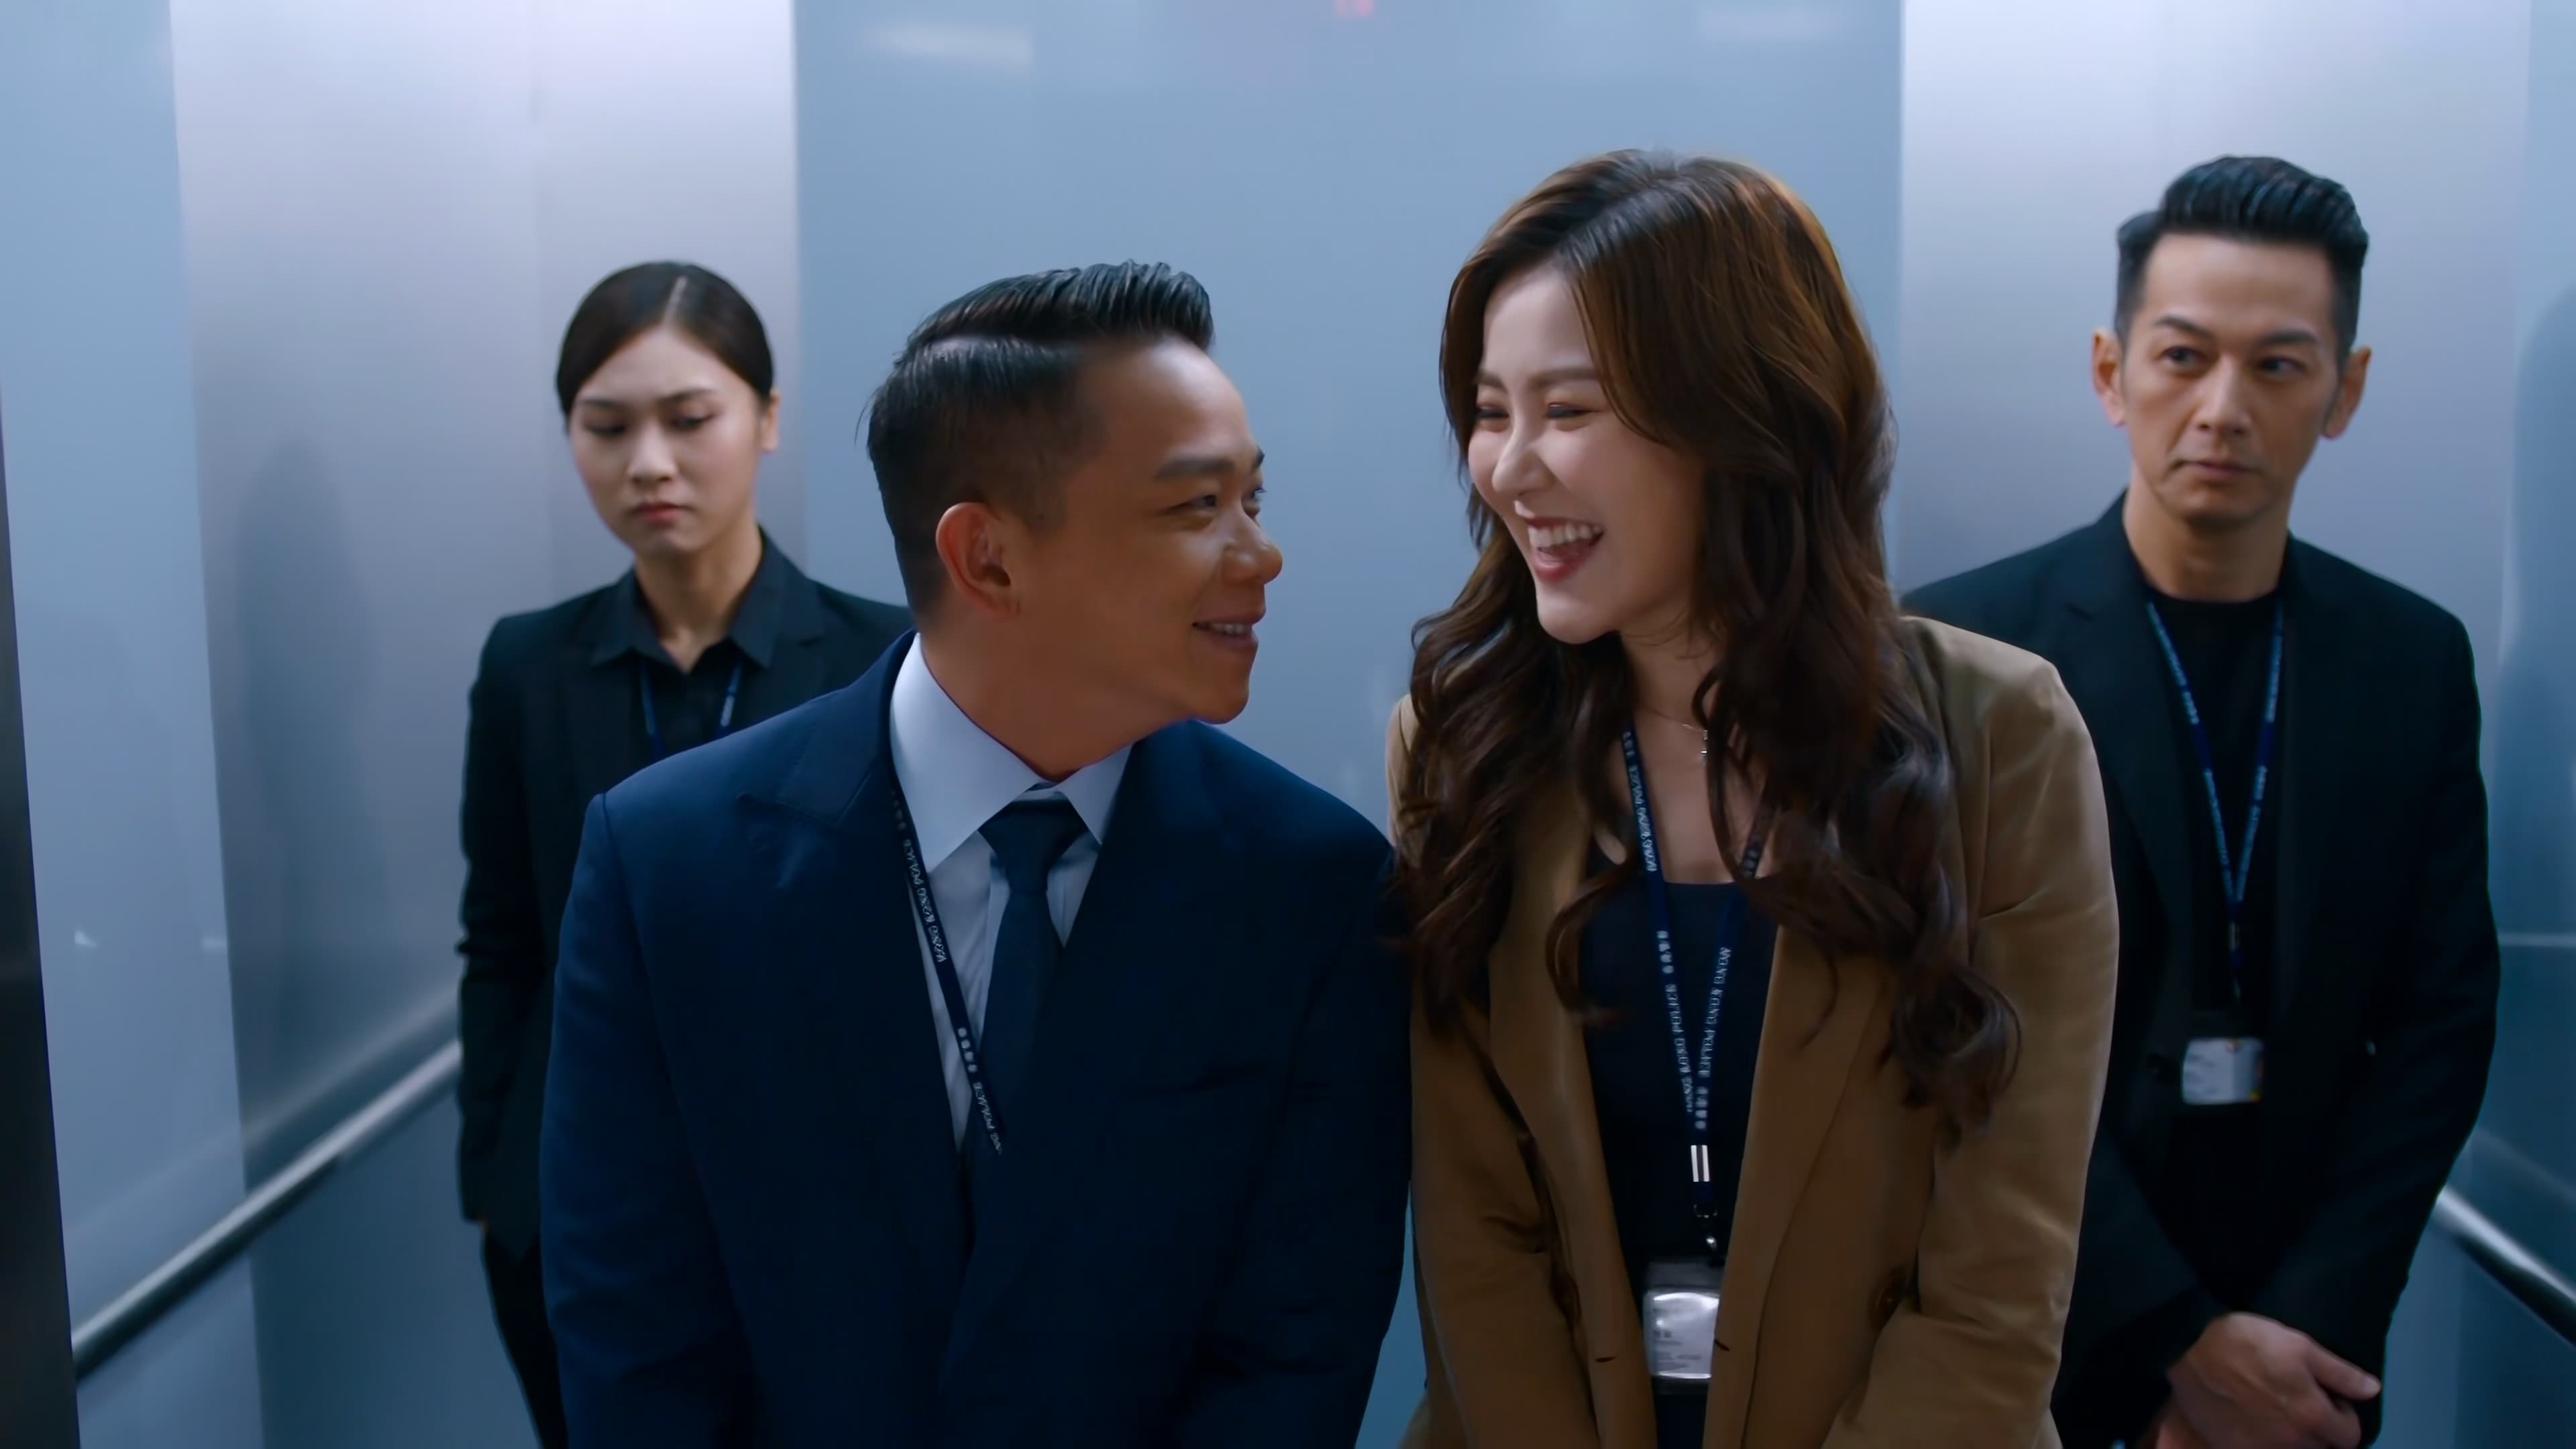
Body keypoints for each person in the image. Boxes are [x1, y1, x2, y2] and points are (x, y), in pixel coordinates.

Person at [537, 262, 1411, 1446]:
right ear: (988, 558)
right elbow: (636, 1344)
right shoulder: (667, 865)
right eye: (1196, 507)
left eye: (1252, 498)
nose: (1259, 555)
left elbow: (1293, 1354)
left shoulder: (1310, 889)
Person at [1388, 151, 2121, 1448]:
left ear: (1745, 421)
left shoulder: (2003, 736)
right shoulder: (1463, 745)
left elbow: (2000, 1275)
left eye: (1569, 409)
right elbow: (1473, 1235)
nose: (1510, 468)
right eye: (1492, 412)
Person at [1908, 157, 2500, 1449]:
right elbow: (1947, 1014)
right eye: (2183, 358)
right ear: (2112, 372)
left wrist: (2305, 1338)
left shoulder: (2410, 661)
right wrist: (2175, 1340)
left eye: (2279, 366)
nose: (2223, 409)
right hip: (2037, 1340)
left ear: (2345, 391)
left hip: (2304, 1365)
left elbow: (2443, 1022)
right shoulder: (1965, 650)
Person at [454, 261, 909, 1449]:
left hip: (825, 1204)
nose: (648, 463)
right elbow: (501, 941)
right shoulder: (528, 667)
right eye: (606, 427)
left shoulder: (885, 657)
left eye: (689, 418)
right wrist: (492, 1174)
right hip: (580, 1203)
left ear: (766, 418)